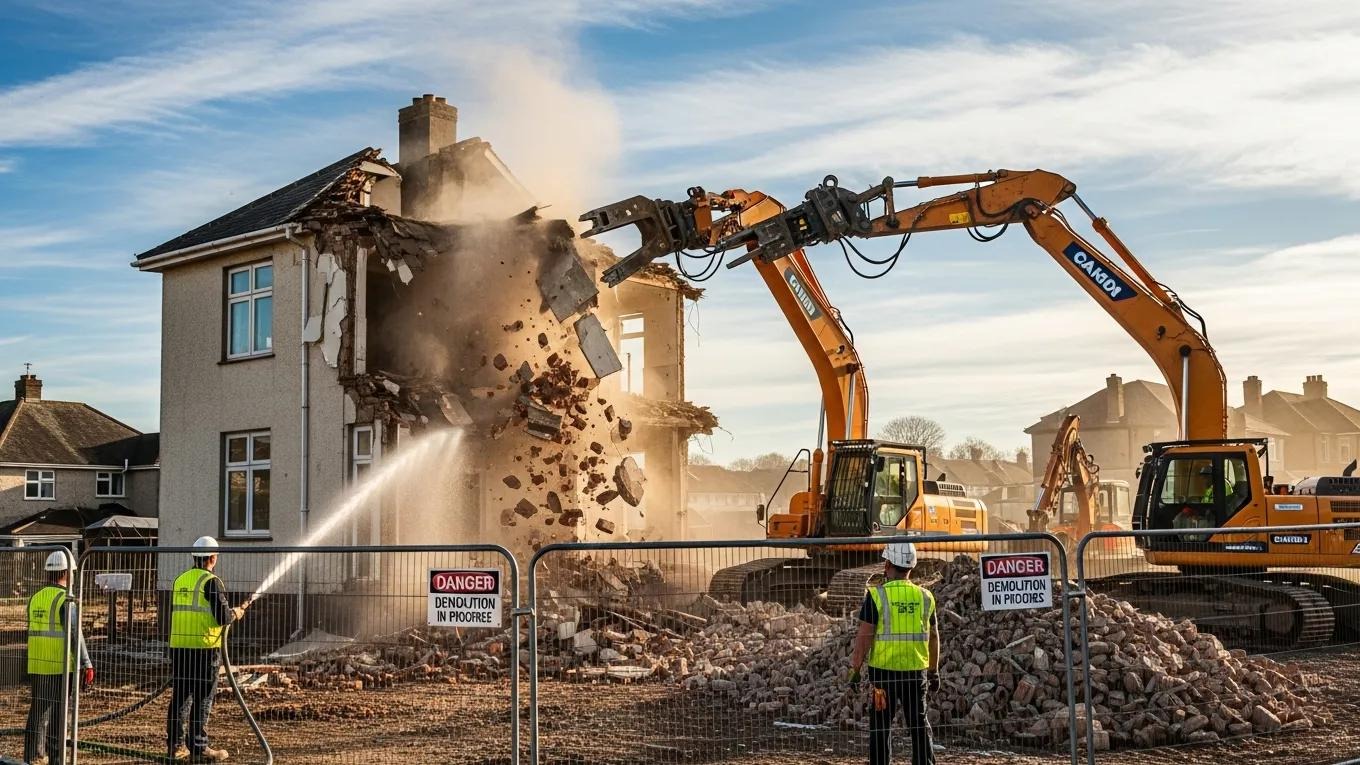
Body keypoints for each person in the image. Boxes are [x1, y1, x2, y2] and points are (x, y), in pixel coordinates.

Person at [848, 542, 939, 765]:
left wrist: (855, 671)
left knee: (881, 726)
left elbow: (864, 638)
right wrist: (934, 671)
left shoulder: (877, 596)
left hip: (884, 675)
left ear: (887, 564)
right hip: (915, 672)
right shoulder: (925, 596)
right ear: (911, 566)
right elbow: (934, 637)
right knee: (918, 723)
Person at [167, 536, 246, 763]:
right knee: (203, 698)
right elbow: (222, 617)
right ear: (212, 557)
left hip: (179, 648)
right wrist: (235, 613)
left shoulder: (180, 580)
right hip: (204, 649)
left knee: (181, 697)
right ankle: (199, 747)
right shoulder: (211, 582)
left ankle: (175, 747)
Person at [26, 550, 93, 765]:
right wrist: (86, 663)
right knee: (59, 715)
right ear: (67, 573)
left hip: (38, 663)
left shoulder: (35, 598)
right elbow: (75, 634)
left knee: (38, 712)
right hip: (60, 666)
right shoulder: (65, 599)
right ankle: (53, 757)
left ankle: (34, 756)